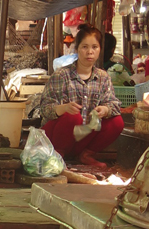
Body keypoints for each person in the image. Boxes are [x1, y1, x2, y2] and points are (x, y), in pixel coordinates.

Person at [39, 24, 124, 167]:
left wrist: (105, 110)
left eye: (94, 47)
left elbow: (113, 104)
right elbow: (45, 109)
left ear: (99, 50)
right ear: (77, 49)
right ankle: (57, 157)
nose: (90, 52)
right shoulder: (61, 75)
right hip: (56, 138)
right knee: (73, 116)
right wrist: (64, 108)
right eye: (85, 47)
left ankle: (86, 155)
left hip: (82, 138)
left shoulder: (103, 77)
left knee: (117, 122)